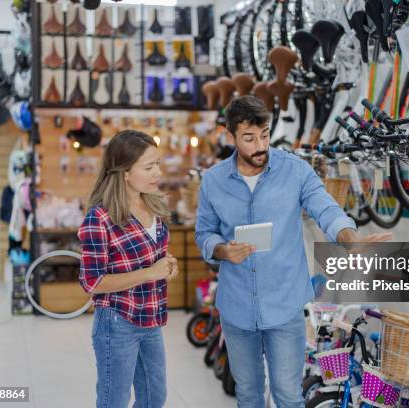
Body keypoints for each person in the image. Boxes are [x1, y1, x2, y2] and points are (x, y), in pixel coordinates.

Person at [195, 95, 392, 407]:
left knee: (288, 395)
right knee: (247, 394)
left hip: (284, 306)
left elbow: (325, 208)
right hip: (236, 307)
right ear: (230, 136)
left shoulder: (295, 171)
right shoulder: (214, 181)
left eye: (264, 135)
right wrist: (220, 250)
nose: (259, 145)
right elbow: (204, 232)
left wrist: (348, 237)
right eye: (249, 138)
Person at [78, 130, 178, 408]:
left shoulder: (153, 204)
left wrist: (168, 265)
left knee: (154, 397)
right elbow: (92, 282)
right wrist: (150, 273)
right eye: (148, 167)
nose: (157, 172)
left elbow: (151, 255)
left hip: (151, 318)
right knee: (115, 401)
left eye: (157, 163)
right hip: (117, 322)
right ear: (124, 172)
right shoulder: (100, 218)